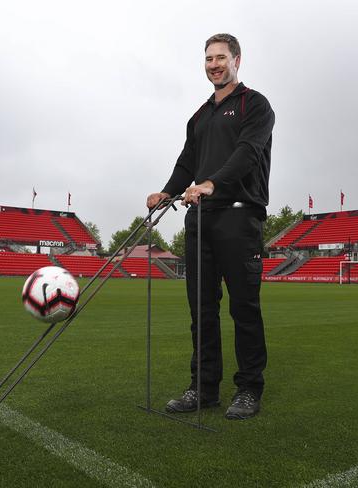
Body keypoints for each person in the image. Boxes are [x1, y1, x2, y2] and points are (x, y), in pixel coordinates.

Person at [146, 33, 274, 420]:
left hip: (238, 216)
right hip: (199, 220)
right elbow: (187, 162)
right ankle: (203, 388)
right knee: (201, 310)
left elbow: (247, 153)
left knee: (244, 309)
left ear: (237, 59)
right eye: (208, 59)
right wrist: (167, 191)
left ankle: (249, 389)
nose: (214, 64)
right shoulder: (199, 116)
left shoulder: (256, 105)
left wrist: (211, 184)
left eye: (221, 57)